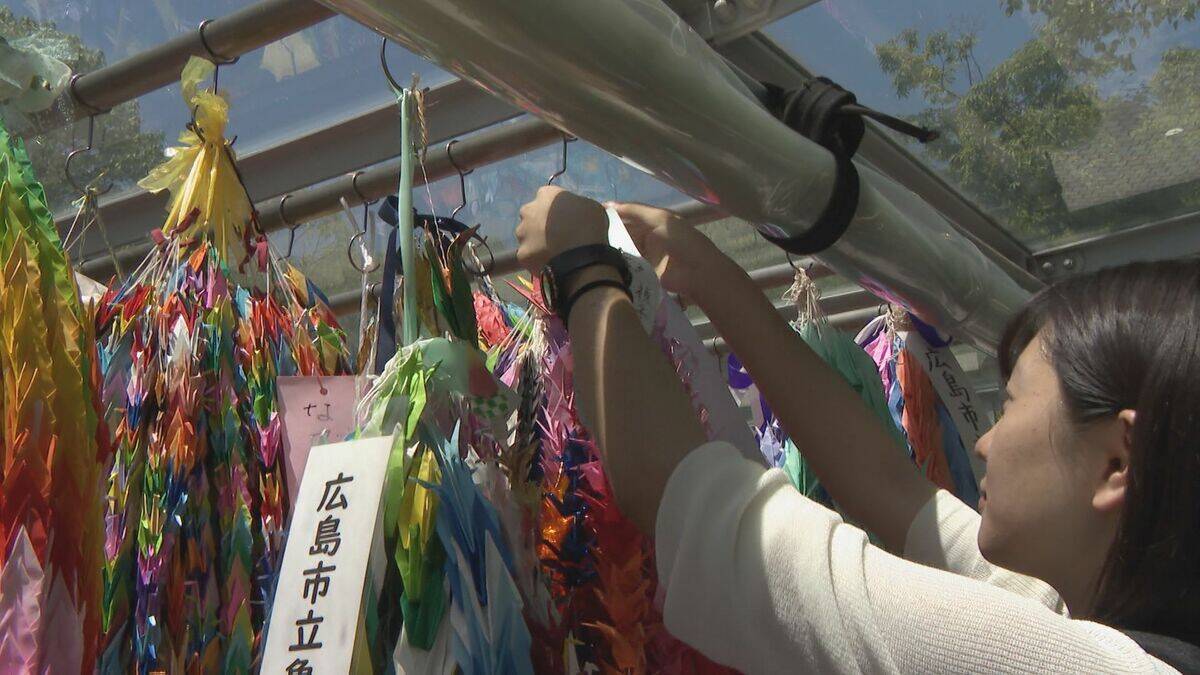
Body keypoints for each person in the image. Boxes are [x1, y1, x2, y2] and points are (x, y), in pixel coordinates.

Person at [514, 185, 1200, 674]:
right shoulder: (1065, 612)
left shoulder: (1054, 661)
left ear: (1117, 462)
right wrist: (706, 275)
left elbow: (695, 507)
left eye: (1014, 403)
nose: (985, 441)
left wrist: (585, 271)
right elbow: (892, 491)